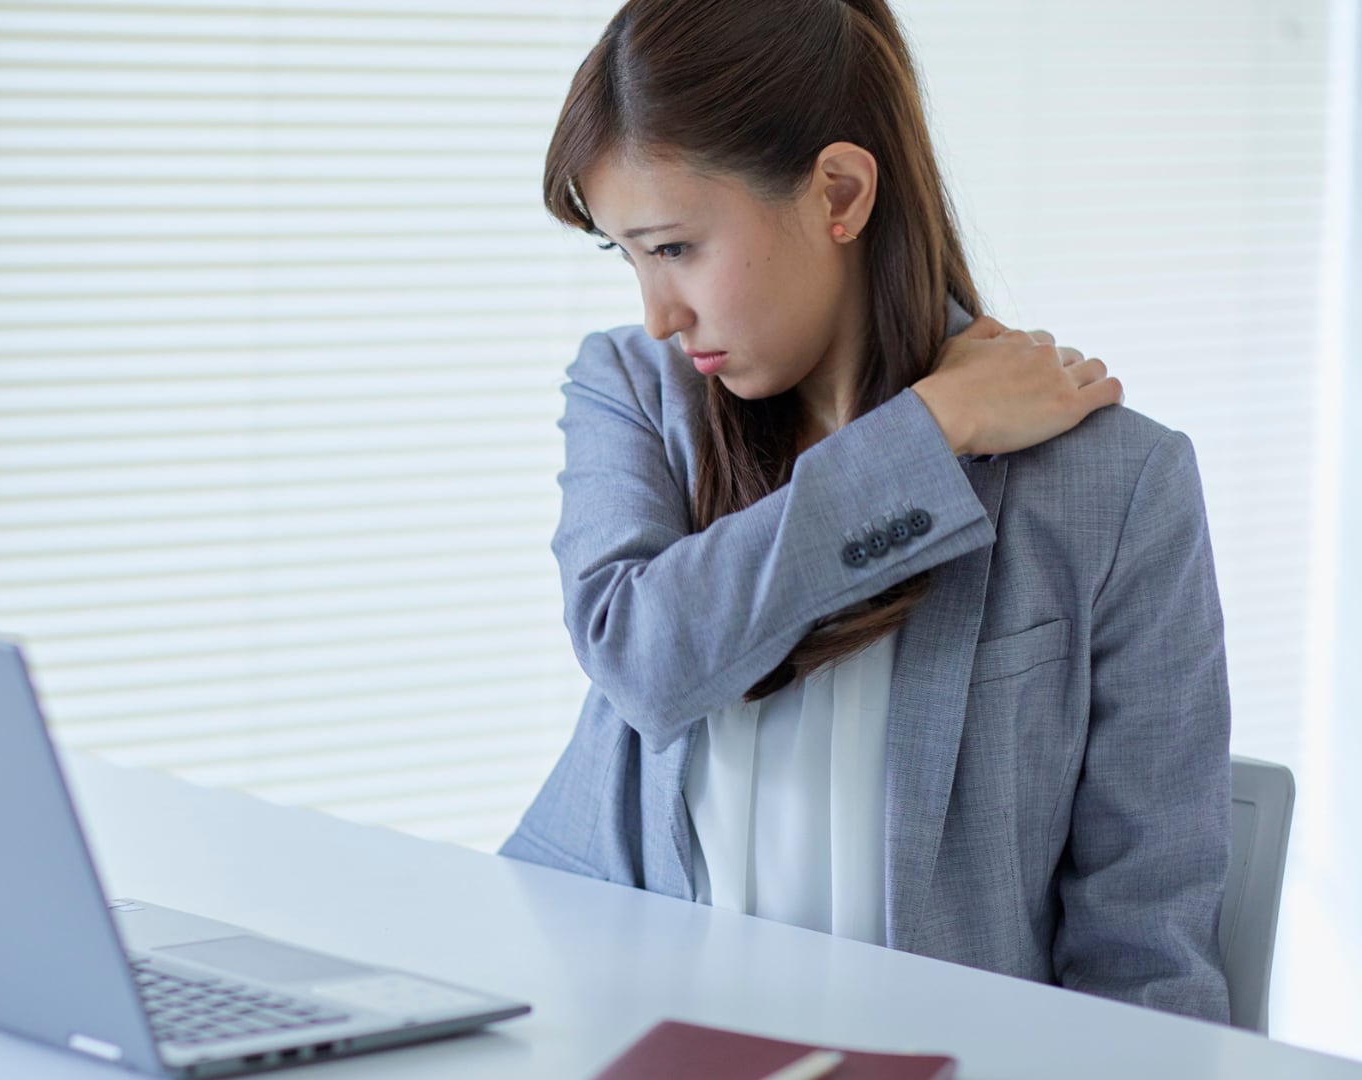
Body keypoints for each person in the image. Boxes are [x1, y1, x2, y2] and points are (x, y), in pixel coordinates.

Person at [497, 0, 1233, 1023]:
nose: (657, 315)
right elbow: (645, 660)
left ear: (839, 193)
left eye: (673, 248)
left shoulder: (1119, 485)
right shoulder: (632, 393)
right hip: (610, 1027)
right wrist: (926, 435)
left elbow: (1146, 957)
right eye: (625, 256)